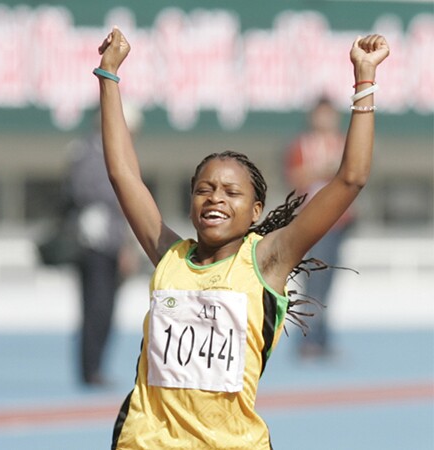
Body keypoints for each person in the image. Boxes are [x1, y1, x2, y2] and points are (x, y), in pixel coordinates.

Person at [93, 27, 388, 448]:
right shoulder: (169, 253)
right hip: (144, 441)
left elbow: (351, 178)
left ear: (255, 213)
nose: (215, 199)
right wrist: (109, 75)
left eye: (231, 193)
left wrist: (364, 80)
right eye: (204, 189)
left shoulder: (267, 260)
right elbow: (123, 174)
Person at [67, 106, 142, 387]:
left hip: (111, 243)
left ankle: (96, 366)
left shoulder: (115, 153)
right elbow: (90, 194)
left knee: (106, 308)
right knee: (95, 307)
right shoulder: (87, 151)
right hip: (93, 244)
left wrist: (127, 246)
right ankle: (90, 370)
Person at [284, 98, 354, 359]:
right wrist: (322, 170)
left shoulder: (343, 142)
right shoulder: (302, 145)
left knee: (328, 284)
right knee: (313, 282)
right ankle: (309, 340)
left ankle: (321, 339)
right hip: (312, 221)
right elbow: (294, 177)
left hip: (339, 223)